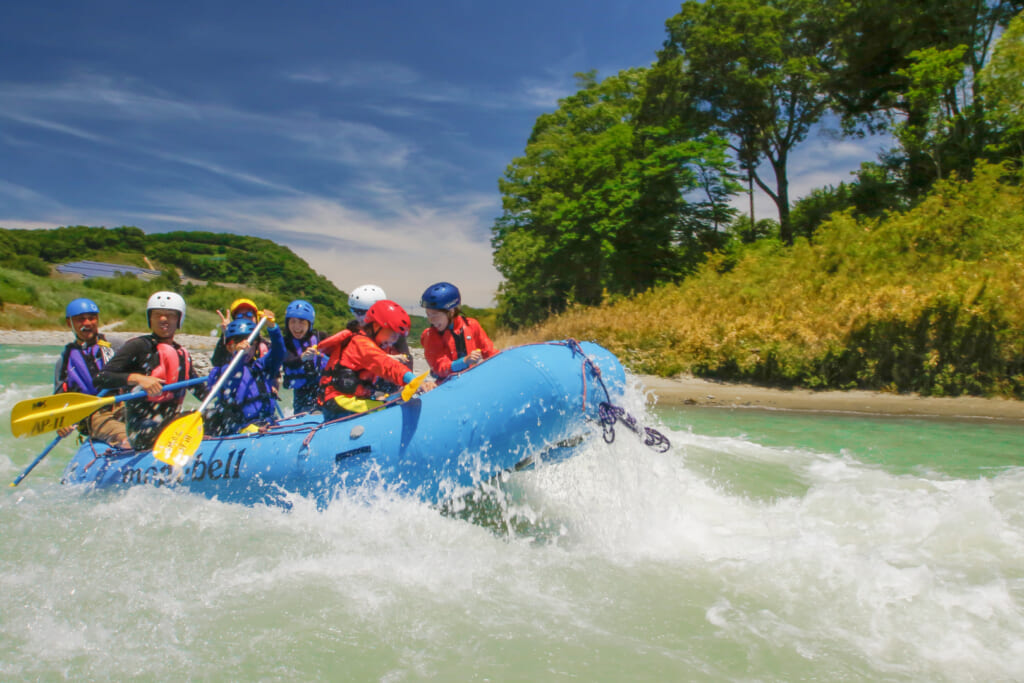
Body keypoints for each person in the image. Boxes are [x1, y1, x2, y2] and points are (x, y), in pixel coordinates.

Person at [96, 291, 206, 451]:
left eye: (170, 315)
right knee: (154, 426)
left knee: (215, 416)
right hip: (142, 427)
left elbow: (201, 392)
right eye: (158, 314)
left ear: (179, 319)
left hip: (171, 421)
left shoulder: (181, 354)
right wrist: (139, 379)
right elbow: (102, 378)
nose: (163, 319)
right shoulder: (138, 346)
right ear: (150, 318)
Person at [317, 300, 432, 420]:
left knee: (390, 401)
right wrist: (412, 380)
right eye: (393, 333)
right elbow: (386, 365)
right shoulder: (361, 343)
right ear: (376, 326)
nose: (394, 340)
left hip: (352, 399)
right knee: (390, 409)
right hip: (338, 401)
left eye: (398, 336)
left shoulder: (374, 344)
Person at [53, 298, 130, 449]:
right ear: (70, 323)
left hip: (124, 405)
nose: (87, 323)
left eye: (92, 318)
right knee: (126, 438)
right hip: (94, 416)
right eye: (81, 319)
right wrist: (61, 421)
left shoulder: (115, 345)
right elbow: (58, 400)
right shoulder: (65, 360)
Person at [204, 310, 285, 436]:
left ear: (256, 344)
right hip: (239, 429)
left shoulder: (261, 365)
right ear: (229, 347)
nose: (246, 347)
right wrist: (239, 354)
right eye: (237, 342)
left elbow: (279, 352)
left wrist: (273, 328)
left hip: (267, 423)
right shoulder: (223, 371)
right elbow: (234, 375)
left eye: (249, 342)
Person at [420, 282, 498, 379]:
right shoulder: (430, 335)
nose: (430, 319)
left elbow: (489, 352)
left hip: (471, 378)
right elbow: (439, 367)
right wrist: (464, 361)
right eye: (428, 314)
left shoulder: (471, 325)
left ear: (451, 312)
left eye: (435, 314)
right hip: (448, 383)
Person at [280, 299, 326, 414]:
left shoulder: (321, 337)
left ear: (309, 324)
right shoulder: (285, 343)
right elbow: (288, 361)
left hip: (323, 388)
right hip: (302, 393)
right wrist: (302, 358)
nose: (297, 327)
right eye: (293, 322)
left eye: (302, 322)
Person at [211, 298, 270, 365]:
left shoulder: (264, 344)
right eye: (240, 316)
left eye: (249, 314)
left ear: (256, 318)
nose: (245, 318)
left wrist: (272, 327)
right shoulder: (231, 343)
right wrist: (225, 333)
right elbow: (217, 362)